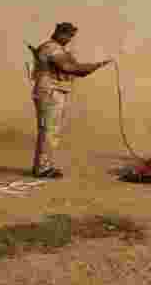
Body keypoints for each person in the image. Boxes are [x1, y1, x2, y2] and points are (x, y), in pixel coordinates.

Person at [30, 22, 113, 179]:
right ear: (62, 34)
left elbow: (74, 67)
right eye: (69, 36)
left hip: (55, 91)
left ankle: (44, 166)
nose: (70, 39)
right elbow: (69, 68)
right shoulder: (51, 48)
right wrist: (95, 66)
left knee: (51, 130)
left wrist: (92, 66)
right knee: (49, 130)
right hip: (50, 91)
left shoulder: (58, 49)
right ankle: (42, 168)